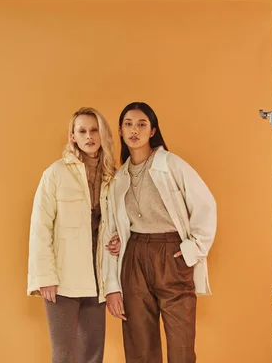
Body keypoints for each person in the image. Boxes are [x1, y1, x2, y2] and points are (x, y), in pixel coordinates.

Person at [103, 102, 217, 363]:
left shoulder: (171, 164)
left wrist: (193, 249)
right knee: (139, 340)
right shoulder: (119, 177)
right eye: (128, 124)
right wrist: (113, 280)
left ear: (153, 130)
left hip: (171, 253)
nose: (135, 130)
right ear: (120, 131)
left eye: (142, 124)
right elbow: (113, 227)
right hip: (135, 255)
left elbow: (206, 204)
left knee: (181, 344)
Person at [27, 107, 121, 363]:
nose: (89, 136)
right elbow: (40, 227)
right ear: (72, 137)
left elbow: (119, 221)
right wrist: (45, 276)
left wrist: (118, 238)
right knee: (64, 354)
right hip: (62, 277)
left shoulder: (112, 175)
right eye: (82, 131)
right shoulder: (55, 173)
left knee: (93, 352)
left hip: (97, 274)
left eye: (94, 130)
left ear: (102, 134)